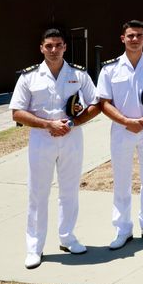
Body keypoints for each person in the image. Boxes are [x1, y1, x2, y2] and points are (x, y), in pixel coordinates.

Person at [10, 28, 101, 269]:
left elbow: (96, 103)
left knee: (69, 190)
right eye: (49, 46)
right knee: (38, 193)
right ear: (41, 47)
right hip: (42, 138)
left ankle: (67, 237)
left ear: (65, 47)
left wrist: (73, 122)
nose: (53, 50)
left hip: (71, 137)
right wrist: (47, 124)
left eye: (58, 45)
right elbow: (17, 112)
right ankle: (34, 247)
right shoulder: (29, 76)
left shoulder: (78, 74)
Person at [96, 20, 143, 250]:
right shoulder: (110, 69)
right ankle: (122, 228)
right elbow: (103, 103)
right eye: (130, 36)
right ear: (123, 39)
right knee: (121, 180)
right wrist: (126, 121)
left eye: (139, 35)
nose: (135, 39)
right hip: (122, 130)